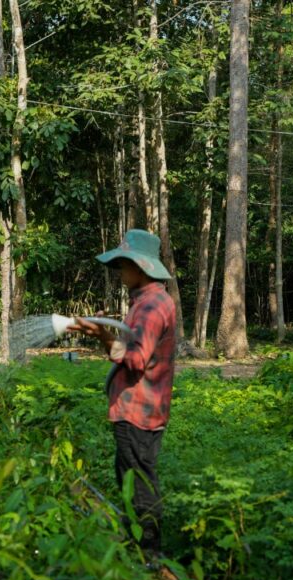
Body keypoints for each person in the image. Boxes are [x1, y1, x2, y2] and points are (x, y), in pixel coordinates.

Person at [67, 229, 176, 562]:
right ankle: (136, 543)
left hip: (138, 413)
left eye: (124, 264)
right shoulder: (148, 301)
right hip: (140, 410)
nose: (120, 272)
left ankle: (149, 556)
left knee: (140, 486)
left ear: (141, 266)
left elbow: (136, 359)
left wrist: (102, 336)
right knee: (130, 478)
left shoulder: (151, 307)